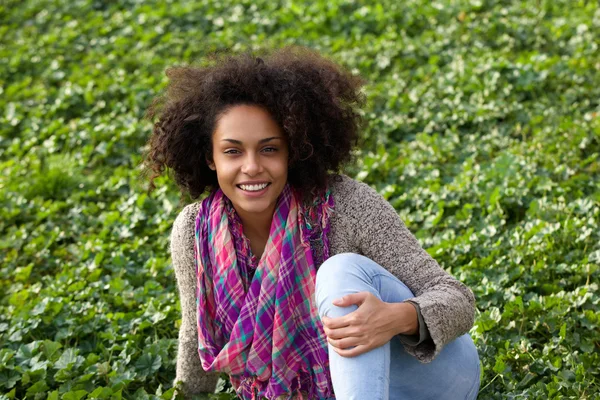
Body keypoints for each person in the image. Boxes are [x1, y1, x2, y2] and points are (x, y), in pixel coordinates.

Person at [144, 46, 480, 400]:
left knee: (339, 270)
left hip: (433, 381)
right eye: (233, 151)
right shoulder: (195, 230)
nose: (252, 166)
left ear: (294, 149)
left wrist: (398, 318)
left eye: (270, 148)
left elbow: (458, 299)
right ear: (209, 158)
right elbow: (195, 333)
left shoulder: (347, 206)